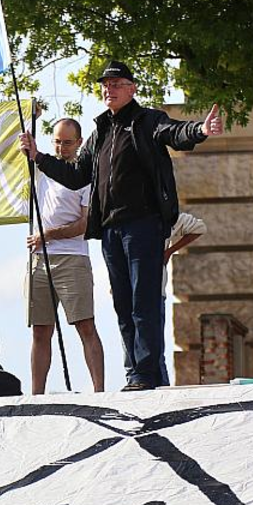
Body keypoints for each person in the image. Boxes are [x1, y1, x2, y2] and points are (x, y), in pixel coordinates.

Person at [18, 60, 223, 391]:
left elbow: (175, 132)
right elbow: (76, 176)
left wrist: (200, 130)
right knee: (123, 304)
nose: (108, 89)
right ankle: (134, 374)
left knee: (144, 302)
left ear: (132, 88)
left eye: (116, 84)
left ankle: (146, 373)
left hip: (143, 224)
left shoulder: (147, 120)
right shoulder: (99, 131)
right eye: (105, 85)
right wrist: (39, 158)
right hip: (111, 230)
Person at [26, 118, 106, 394]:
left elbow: (85, 224)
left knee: (85, 324)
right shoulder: (41, 170)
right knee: (40, 329)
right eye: (57, 142)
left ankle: (99, 390)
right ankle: (36, 395)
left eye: (67, 142)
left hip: (72, 258)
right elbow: (21, 152)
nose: (61, 148)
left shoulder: (84, 176)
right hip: (38, 258)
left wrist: (50, 234)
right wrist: (31, 117)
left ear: (80, 143)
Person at [158, 211, 207, 386]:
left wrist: (169, 251)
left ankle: (159, 386)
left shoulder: (164, 215)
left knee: (153, 348)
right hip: (141, 290)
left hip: (155, 290)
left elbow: (199, 227)